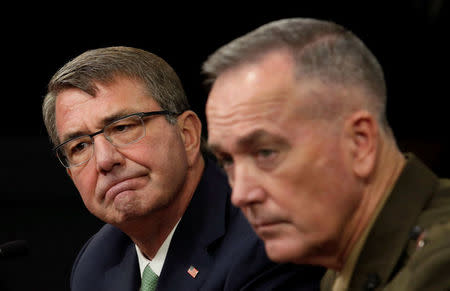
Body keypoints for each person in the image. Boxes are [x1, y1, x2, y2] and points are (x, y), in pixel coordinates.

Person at [42, 46, 324, 291]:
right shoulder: (95, 264)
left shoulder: (266, 240)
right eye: (79, 146)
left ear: (187, 135)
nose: (104, 160)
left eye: (123, 127)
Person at [203, 18, 450, 290]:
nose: (240, 195)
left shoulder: (438, 267)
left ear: (360, 143)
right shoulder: (341, 262)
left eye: (266, 153)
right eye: (227, 160)